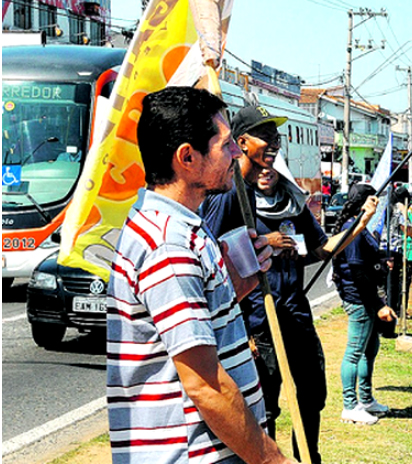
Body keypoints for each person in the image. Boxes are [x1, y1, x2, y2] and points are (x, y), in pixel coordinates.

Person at [106, 87, 296, 464]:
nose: (237, 154)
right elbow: (204, 384)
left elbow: (186, 330)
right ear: (187, 157)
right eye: (225, 145)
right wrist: (273, 460)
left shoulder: (182, 226)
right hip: (191, 454)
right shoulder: (168, 245)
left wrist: (234, 288)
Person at [199, 105, 378, 464]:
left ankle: (308, 457)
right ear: (242, 142)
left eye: (277, 136)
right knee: (264, 400)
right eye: (267, 135)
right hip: (255, 319)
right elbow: (208, 252)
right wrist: (264, 244)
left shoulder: (285, 202)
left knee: (311, 391)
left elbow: (320, 249)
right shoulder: (227, 193)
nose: (275, 143)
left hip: (294, 312)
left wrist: (360, 224)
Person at [332, 183, 397, 425]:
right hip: (359, 299)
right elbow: (358, 273)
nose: (377, 205)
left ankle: (367, 399)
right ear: (362, 204)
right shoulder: (354, 231)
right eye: (374, 201)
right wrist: (379, 304)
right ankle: (350, 405)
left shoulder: (361, 229)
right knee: (354, 353)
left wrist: (382, 259)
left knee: (370, 349)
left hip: (366, 297)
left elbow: (367, 263)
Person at [378, 185, 412, 334]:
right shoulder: (399, 210)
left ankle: (384, 324)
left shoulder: (386, 208)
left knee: (384, 287)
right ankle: (388, 327)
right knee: (392, 287)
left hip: (382, 249)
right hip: (394, 250)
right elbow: (409, 232)